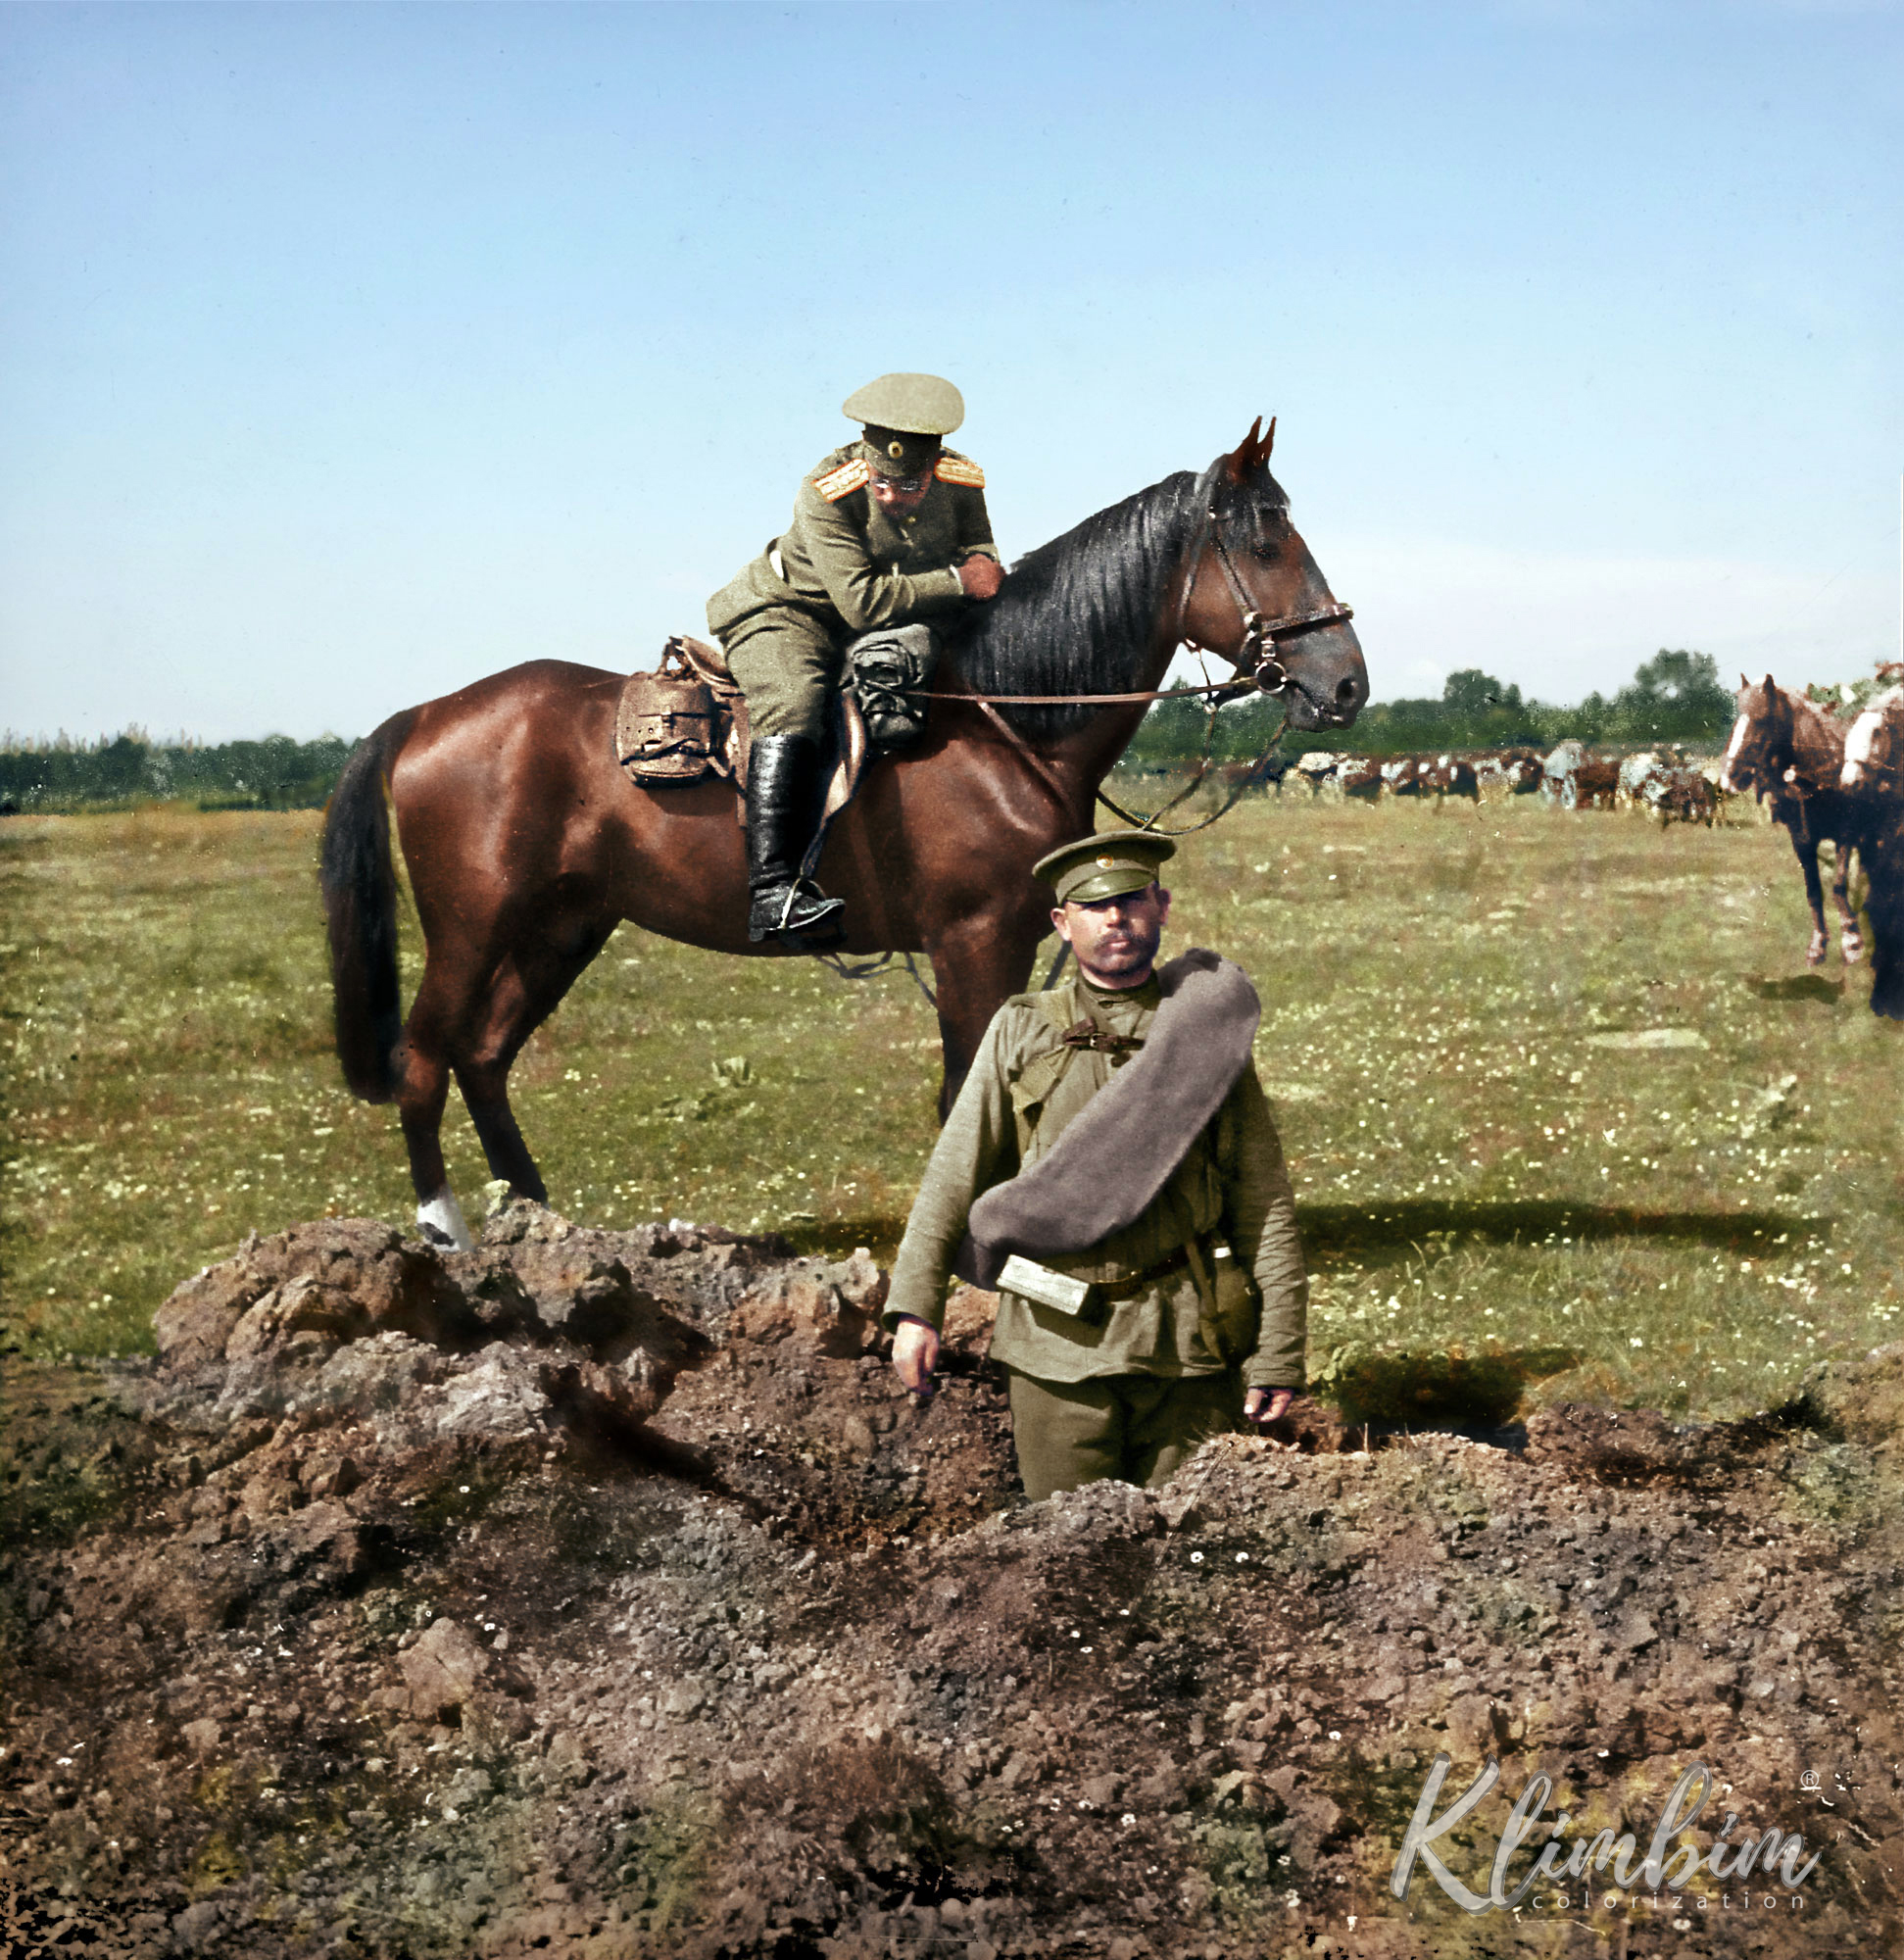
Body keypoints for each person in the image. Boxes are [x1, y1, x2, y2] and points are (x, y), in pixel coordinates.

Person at [882, 830, 1307, 1501]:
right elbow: (952, 1173)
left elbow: (1262, 1200)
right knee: (1066, 1558)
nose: (1115, 918)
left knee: (1187, 1555)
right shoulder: (1022, 1029)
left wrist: (1279, 1346)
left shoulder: (1201, 1033)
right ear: (1060, 923)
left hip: (1185, 1348)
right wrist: (915, 1311)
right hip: (1054, 1348)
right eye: (1092, 905)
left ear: (1160, 906)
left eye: (1131, 899)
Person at [706, 372, 1004, 946]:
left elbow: (981, 551)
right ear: (866, 462)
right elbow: (864, 601)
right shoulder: (826, 491)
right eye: (882, 483)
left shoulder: (960, 480)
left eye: (910, 485)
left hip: (889, 616)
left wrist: (980, 570)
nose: (892, 496)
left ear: (936, 465)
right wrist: (958, 580)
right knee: (795, 700)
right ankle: (773, 891)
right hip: (788, 612)